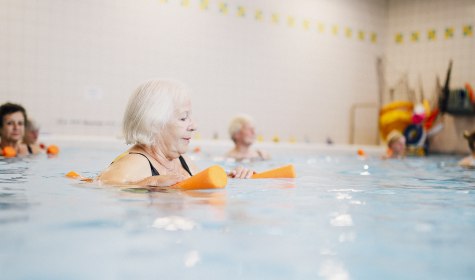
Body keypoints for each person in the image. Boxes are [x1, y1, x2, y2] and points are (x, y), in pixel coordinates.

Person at [97, 79, 254, 187]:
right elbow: (104, 186)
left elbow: (198, 184)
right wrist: (149, 183)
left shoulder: (181, 160)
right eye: (184, 118)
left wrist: (232, 177)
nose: (194, 126)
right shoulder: (135, 163)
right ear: (154, 124)